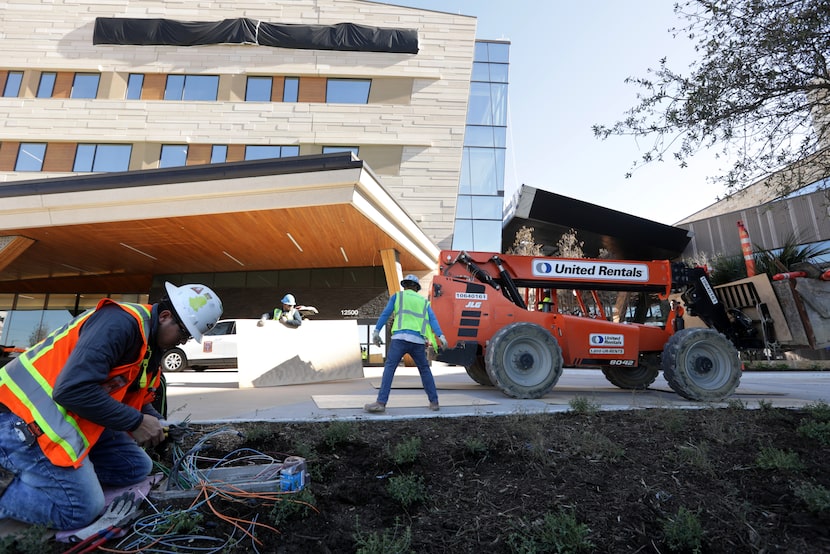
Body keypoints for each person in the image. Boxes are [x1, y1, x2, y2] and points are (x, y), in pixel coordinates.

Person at [0, 282, 222, 530]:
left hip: (61, 419)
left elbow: (136, 400)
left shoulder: (149, 348)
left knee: (136, 467)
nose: (182, 342)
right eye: (184, 333)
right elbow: (71, 390)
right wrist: (135, 422)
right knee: (80, 510)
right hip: (19, 421)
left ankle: (60, 479)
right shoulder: (119, 324)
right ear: (165, 316)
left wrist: (160, 423)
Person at [364, 274, 448, 414]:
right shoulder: (424, 302)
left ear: (405, 286)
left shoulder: (398, 297)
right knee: (425, 370)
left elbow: (386, 314)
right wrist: (441, 336)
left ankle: (381, 402)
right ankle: (434, 402)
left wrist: (376, 331)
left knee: (390, 368)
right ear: (416, 288)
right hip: (418, 342)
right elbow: (432, 320)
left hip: (400, 339)